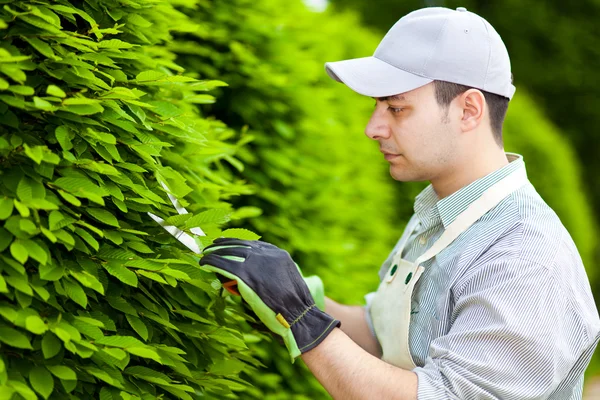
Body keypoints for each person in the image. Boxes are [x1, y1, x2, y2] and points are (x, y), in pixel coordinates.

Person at [199, 6, 600, 399]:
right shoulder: (441, 214)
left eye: (396, 107)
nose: (372, 128)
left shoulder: (526, 260)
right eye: (377, 106)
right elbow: (385, 338)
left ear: (468, 110)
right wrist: (291, 296)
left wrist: (304, 322)